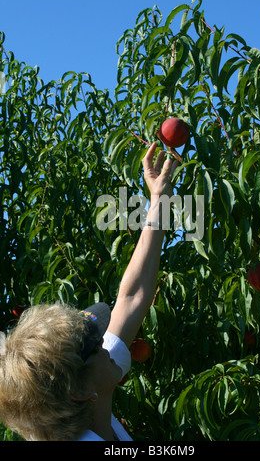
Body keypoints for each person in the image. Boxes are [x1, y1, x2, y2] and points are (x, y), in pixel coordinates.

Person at [0, 142, 178, 441]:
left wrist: (158, 199)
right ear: (78, 390)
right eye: (94, 348)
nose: (105, 346)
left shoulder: (87, 393)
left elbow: (132, 296)